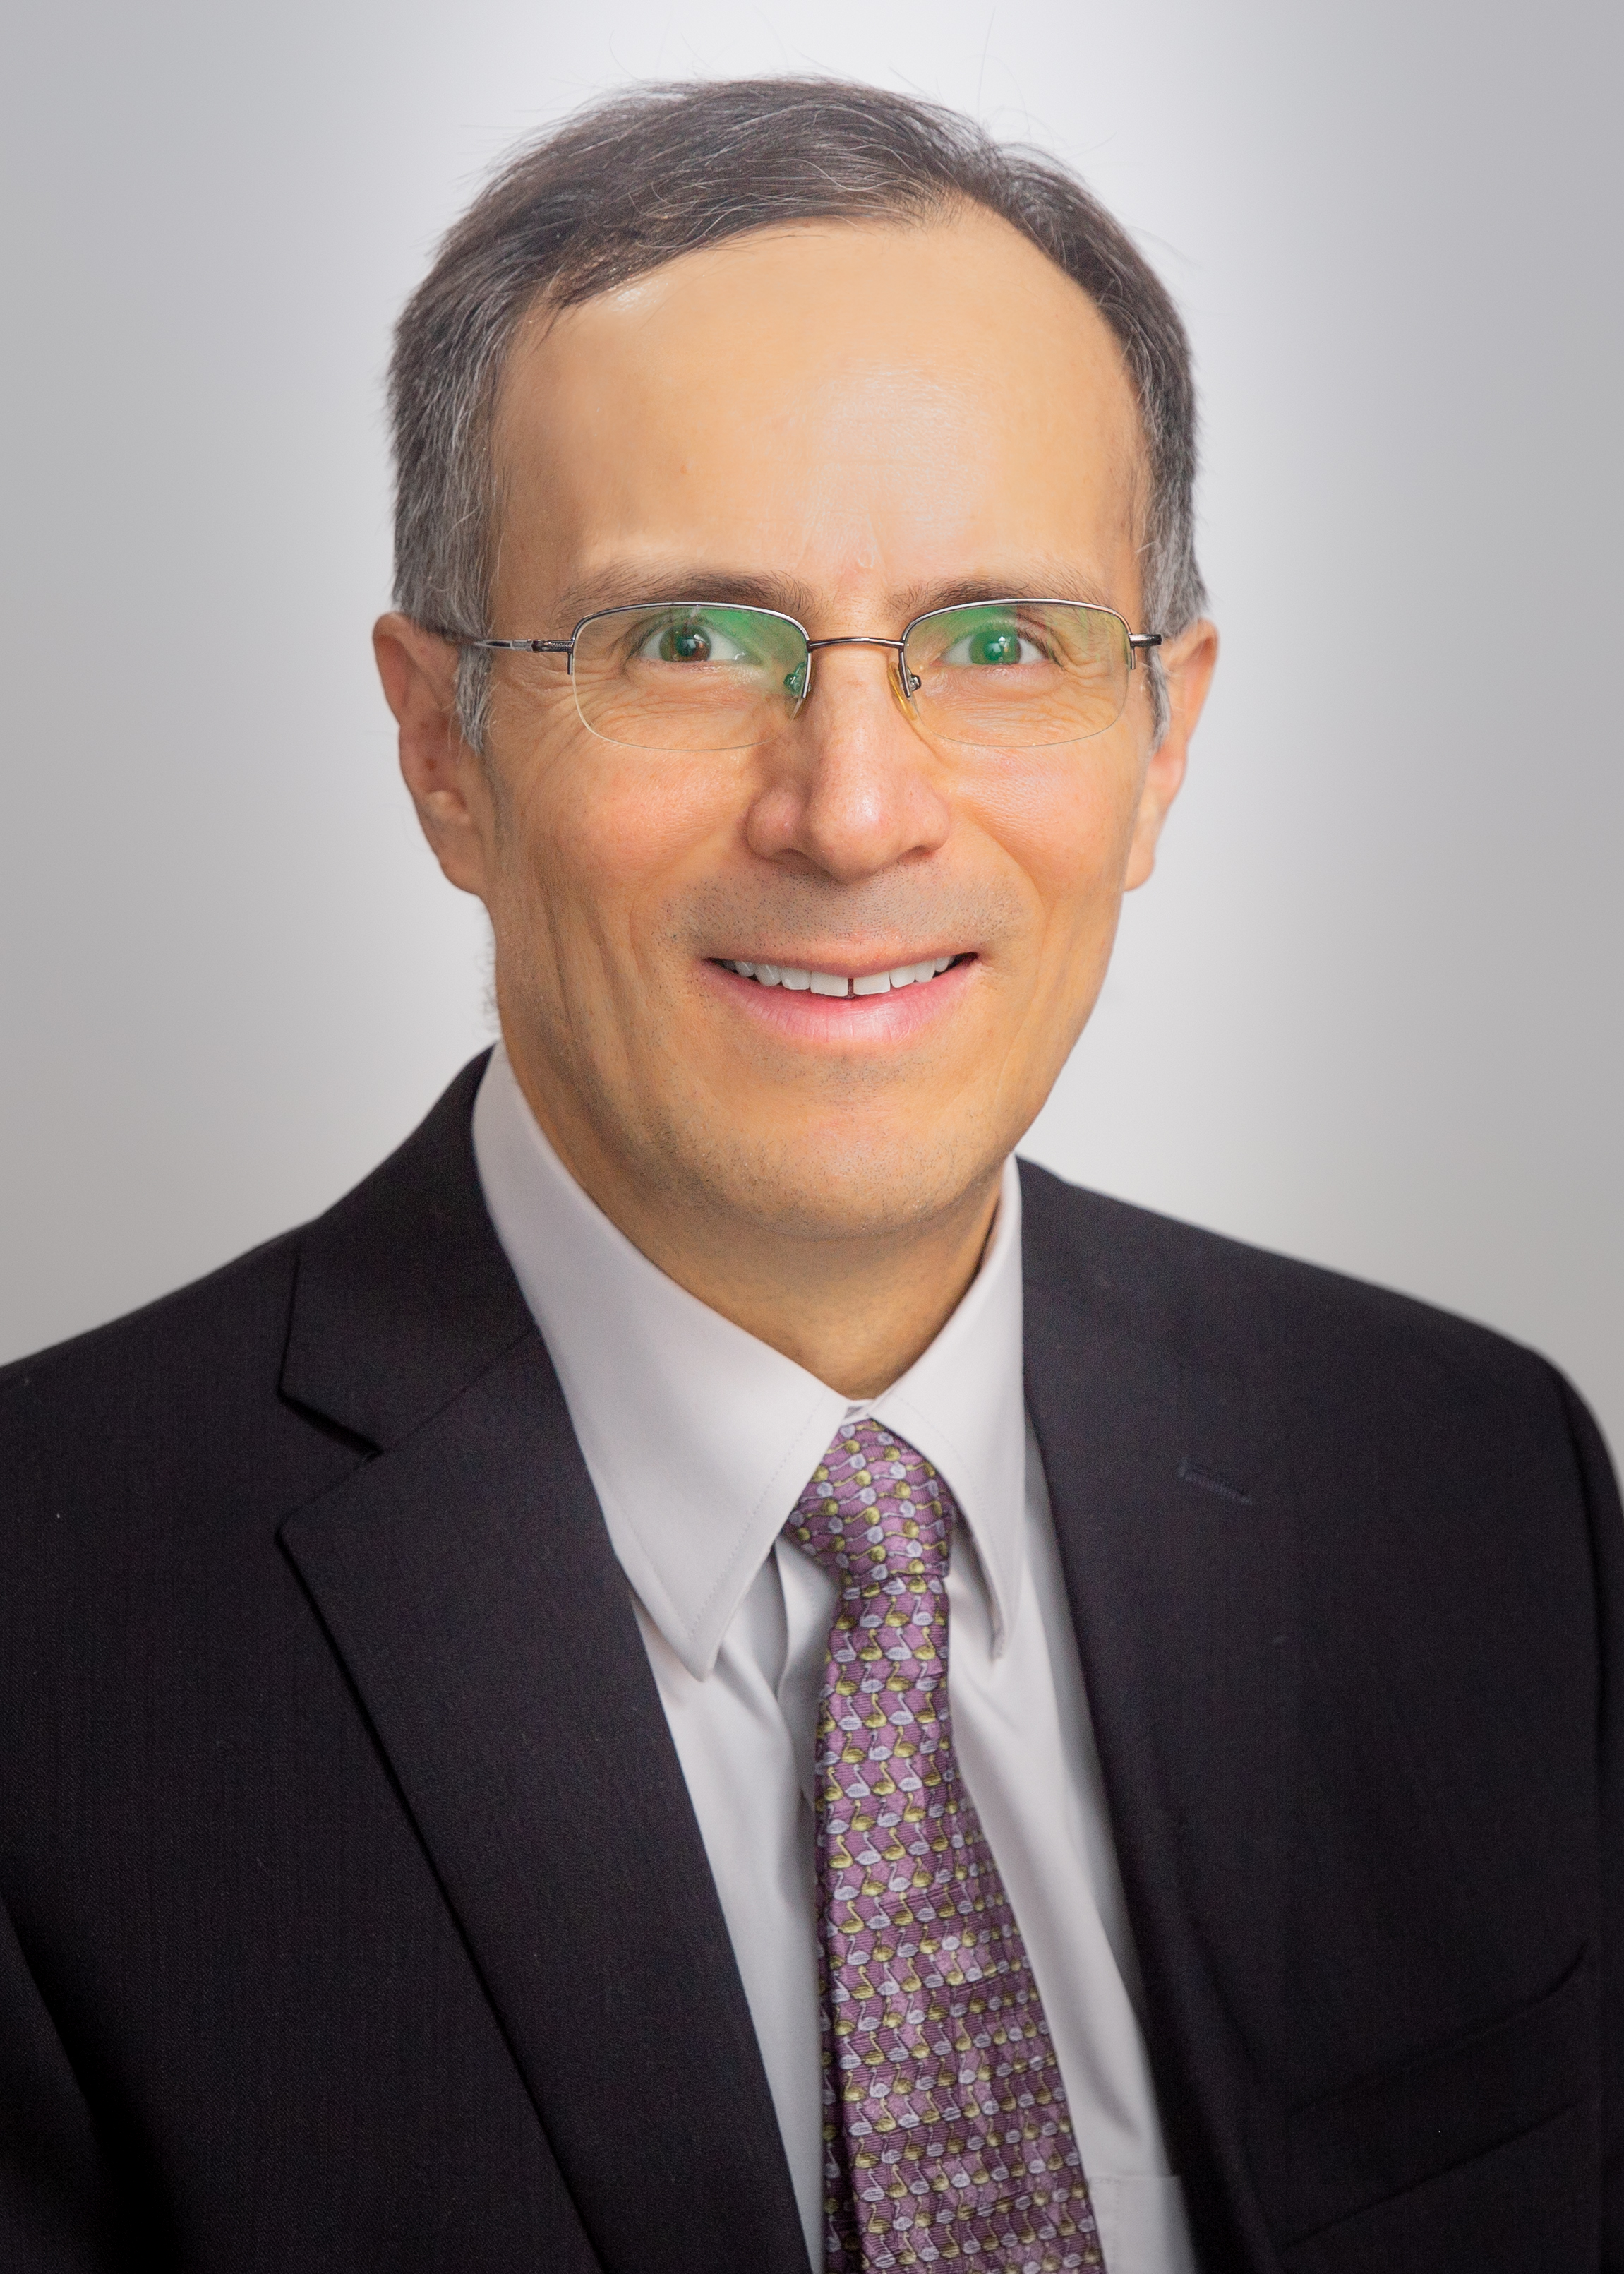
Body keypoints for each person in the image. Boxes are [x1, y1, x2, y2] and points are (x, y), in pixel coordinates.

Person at [0, 75, 1617, 2274]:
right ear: (438, 748)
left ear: (1164, 741)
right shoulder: (48, 1630)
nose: (854, 812)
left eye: (994, 644)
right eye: (690, 639)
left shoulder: (1480, 1482)